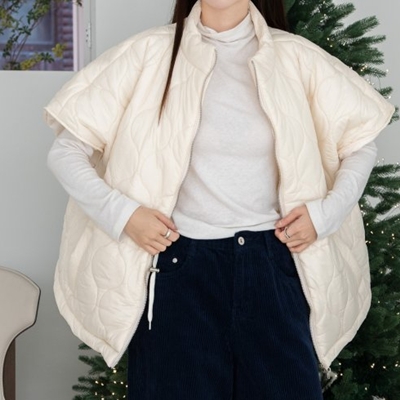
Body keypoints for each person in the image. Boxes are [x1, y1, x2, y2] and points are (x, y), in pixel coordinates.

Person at [45, 0, 395, 399]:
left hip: (273, 267)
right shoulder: (147, 53)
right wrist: (124, 215)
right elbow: (65, 152)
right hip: (178, 271)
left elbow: (360, 143)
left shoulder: (295, 57)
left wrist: (326, 215)